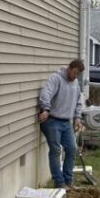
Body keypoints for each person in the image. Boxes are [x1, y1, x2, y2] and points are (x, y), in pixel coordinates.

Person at [38, 59, 84, 187]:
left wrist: (77, 118)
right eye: (74, 73)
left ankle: (68, 181)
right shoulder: (56, 78)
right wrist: (46, 109)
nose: (75, 76)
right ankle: (59, 182)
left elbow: (78, 102)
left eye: (77, 75)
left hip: (66, 122)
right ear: (69, 68)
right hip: (52, 120)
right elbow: (45, 93)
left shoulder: (75, 84)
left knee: (72, 149)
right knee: (56, 150)